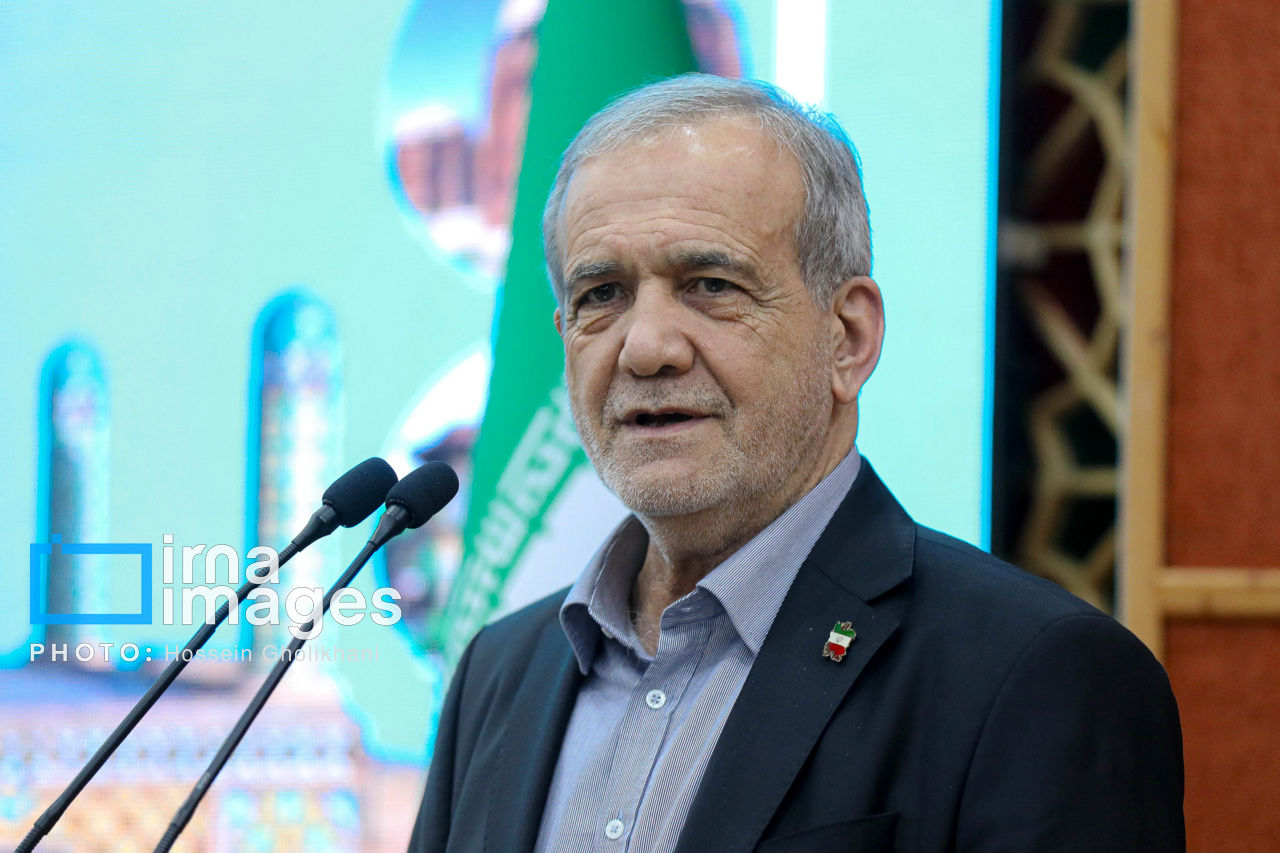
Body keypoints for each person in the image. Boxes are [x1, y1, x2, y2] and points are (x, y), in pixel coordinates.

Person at [408, 74, 1184, 852]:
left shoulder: (1034, 675)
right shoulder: (496, 673)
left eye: (710, 285)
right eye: (602, 295)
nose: (645, 348)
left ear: (849, 338)